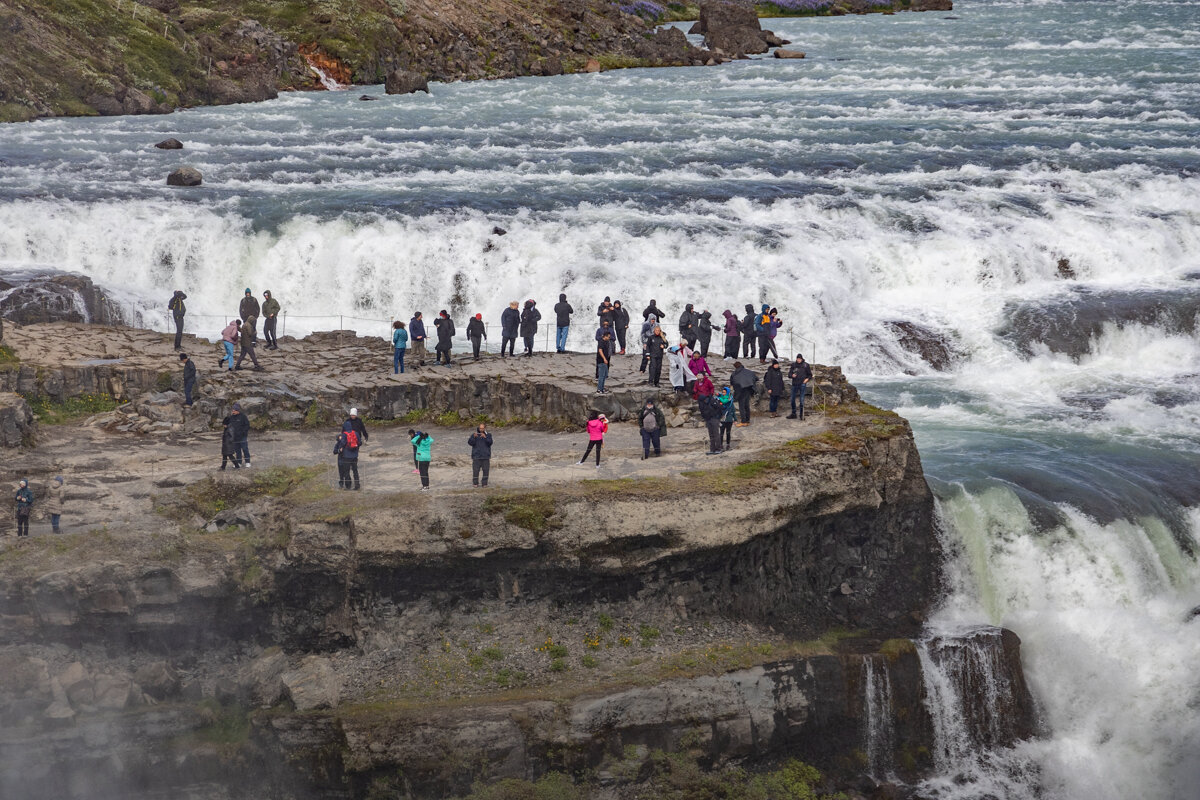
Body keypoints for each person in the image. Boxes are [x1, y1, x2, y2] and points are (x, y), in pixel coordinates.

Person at [334, 420, 361, 490]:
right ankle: (357, 485)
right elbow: (360, 442)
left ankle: (348, 486)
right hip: (355, 456)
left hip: (346, 456)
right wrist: (356, 448)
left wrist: (340, 449)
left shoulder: (344, 435)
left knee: (346, 471)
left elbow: (342, 443)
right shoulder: (356, 433)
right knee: (355, 470)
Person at [729, 361, 758, 426]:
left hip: (740, 391)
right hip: (748, 390)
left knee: (741, 407)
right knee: (747, 406)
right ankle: (747, 421)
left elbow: (732, 382)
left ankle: (743, 421)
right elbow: (756, 378)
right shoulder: (749, 372)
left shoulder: (734, 374)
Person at [788, 353, 814, 420]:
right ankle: (793, 413)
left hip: (802, 384)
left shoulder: (806, 365)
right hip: (794, 384)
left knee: (801, 400)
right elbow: (789, 374)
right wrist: (792, 375)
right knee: (792, 399)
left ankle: (801, 415)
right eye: (797, 359)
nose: (798, 360)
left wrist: (807, 379)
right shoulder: (793, 365)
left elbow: (810, 375)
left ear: (802, 359)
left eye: (799, 359)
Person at [228, 402, 251, 466]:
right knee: (237, 450)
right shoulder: (231, 417)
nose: (233, 411)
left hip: (242, 436)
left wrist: (243, 432)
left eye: (234, 410)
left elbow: (247, 425)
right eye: (232, 410)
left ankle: (247, 462)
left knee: (245, 449)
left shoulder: (243, 416)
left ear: (238, 410)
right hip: (235, 437)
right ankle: (239, 462)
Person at [596, 328, 613, 394]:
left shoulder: (606, 342)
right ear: (605, 336)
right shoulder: (601, 342)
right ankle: (599, 389)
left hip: (605, 361)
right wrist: (604, 359)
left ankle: (602, 388)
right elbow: (600, 351)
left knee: (604, 375)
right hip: (601, 361)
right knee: (601, 376)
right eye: (608, 337)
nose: (609, 338)